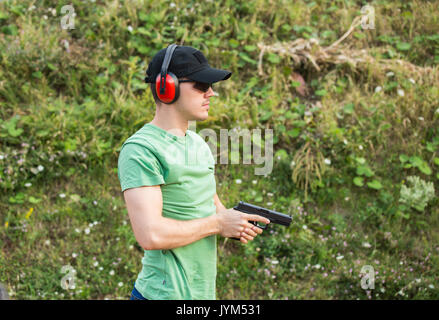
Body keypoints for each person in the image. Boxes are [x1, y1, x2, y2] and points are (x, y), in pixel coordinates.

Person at [117, 44, 270, 300]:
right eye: (201, 85)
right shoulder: (141, 150)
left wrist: (235, 220)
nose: (211, 93)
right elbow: (150, 234)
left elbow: (210, 203)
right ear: (167, 87)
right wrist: (219, 224)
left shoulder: (196, 142)